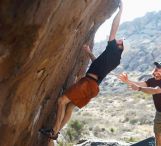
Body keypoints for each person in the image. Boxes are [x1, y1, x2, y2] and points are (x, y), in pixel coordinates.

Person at [40, 0, 124, 140]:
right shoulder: (114, 59)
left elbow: (113, 28)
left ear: (119, 46)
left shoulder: (113, 49)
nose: (117, 39)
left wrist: (121, 10)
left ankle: (54, 132)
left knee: (61, 101)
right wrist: (89, 52)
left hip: (87, 83)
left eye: (119, 41)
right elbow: (98, 64)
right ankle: (57, 131)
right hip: (93, 87)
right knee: (70, 107)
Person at [119, 62, 161, 146]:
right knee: (158, 135)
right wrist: (127, 81)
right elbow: (140, 84)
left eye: (158, 69)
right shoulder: (152, 80)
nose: (155, 70)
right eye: (155, 68)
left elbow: (155, 90)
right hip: (159, 113)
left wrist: (139, 88)